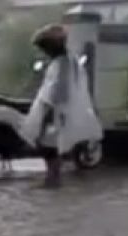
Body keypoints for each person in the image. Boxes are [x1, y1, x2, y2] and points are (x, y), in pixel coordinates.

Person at [18, 24, 103, 188]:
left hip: (55, 110)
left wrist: (49, 112)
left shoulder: (62, 64)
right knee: (48, 145)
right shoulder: (65, 61)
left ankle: (53, 180)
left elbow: (58, 91)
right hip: (55, 109)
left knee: (49, 146)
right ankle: (52, 179)